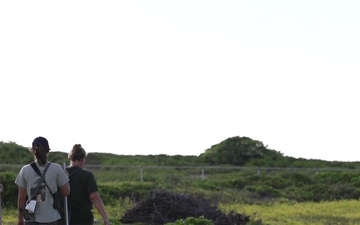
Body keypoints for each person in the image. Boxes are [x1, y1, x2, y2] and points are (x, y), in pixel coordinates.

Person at [15, 136, 70, 225]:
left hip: (31, 218)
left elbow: (21, 197)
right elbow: (66, 192)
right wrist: (66, 177)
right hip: (51, 217)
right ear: (48, 151)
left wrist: (20, 219)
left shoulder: (25, 170)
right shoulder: (56, 169)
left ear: (32, 151)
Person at [65, 144, 110, 225]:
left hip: (65, 216)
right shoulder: (87, 176)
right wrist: (105, 218)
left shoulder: (61, 173)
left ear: (70, 158)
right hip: (83, 217)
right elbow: (94, 197)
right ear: (82, 159)